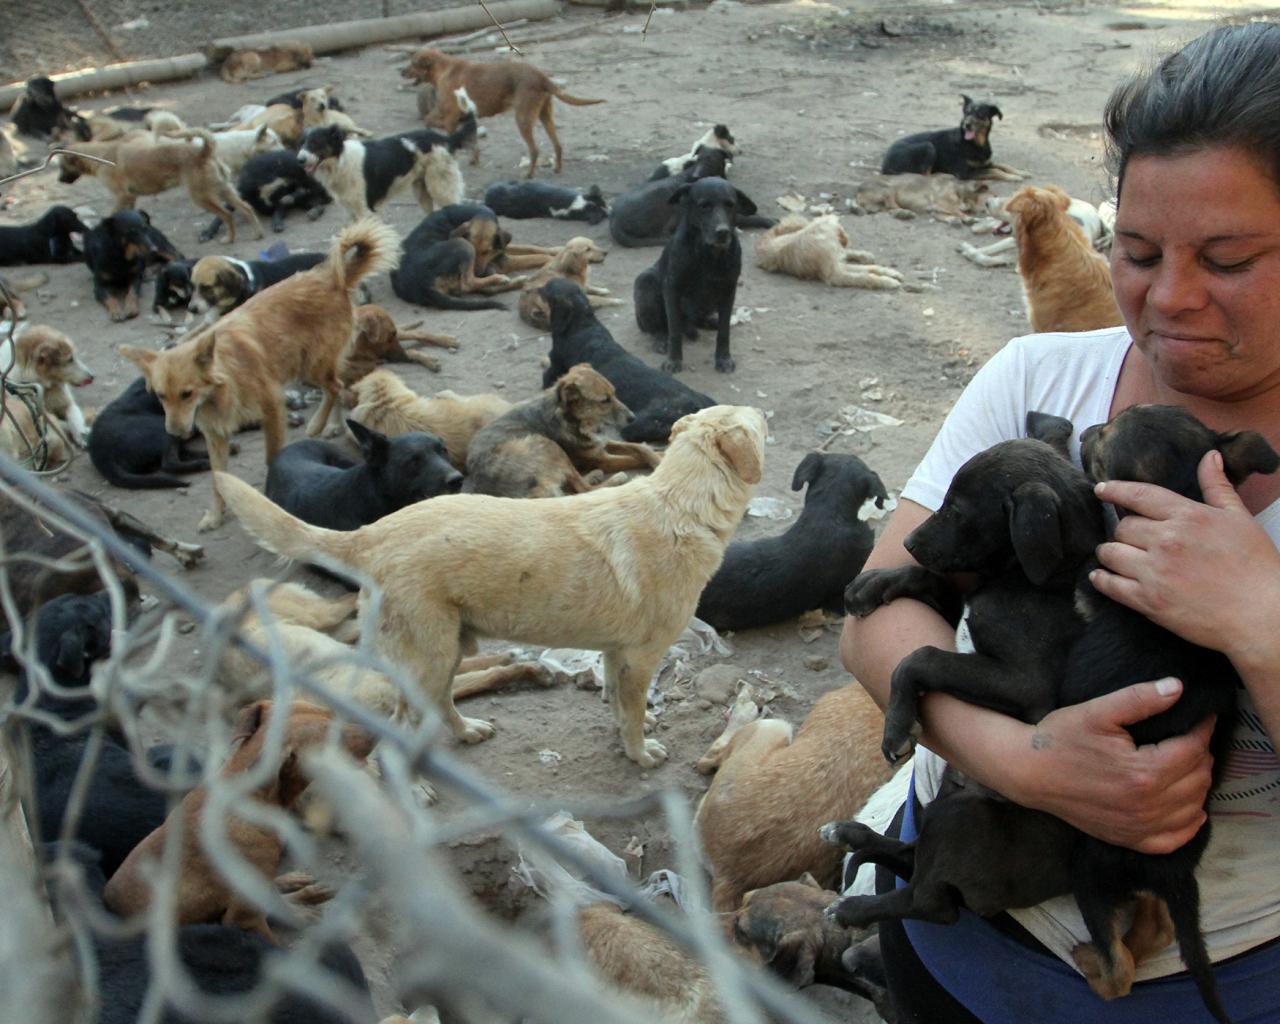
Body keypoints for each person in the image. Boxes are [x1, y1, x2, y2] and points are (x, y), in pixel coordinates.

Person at [839, 21, 1280, 1024]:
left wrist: (1257, 616)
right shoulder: (1041, 380)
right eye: (1133, 250)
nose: (1166, 297)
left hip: (1222, 985)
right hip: (953, 929)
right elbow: (874, 614)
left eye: (1225, 257)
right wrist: (1026, 764)